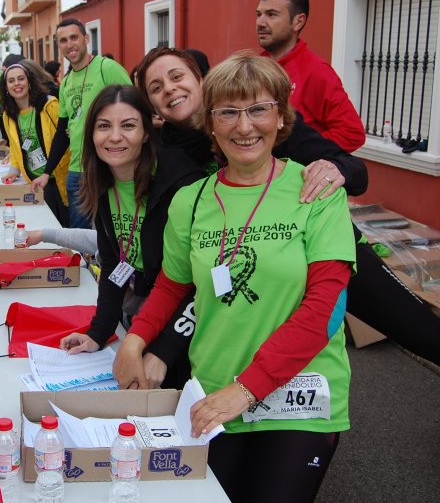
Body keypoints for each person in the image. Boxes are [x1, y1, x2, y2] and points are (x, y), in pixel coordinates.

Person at [115, 52, 357, 502]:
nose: (244, 127)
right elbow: (172, 285)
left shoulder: (317, 192)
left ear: (281, 117)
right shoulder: (191, 200)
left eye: (258, 109)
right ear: (210, 122)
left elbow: (326, 309)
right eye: (227, 112)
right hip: (213, 393)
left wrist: (246, 390)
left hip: (298, 400)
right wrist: (134, 342)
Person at [136, 46, 440, 370]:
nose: (169, 88)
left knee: (418, 330)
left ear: (200, 79)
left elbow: (354, 169)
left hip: (322, 250)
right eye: (156, 87)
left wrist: (335, 169)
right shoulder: (163, 154)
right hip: (244, 265)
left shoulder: (262, 120)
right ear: (154, 107)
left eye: (176, 76)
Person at [58, 84, 205, 381]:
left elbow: (196, 283)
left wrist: (164, 350)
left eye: (128, 125)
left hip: (188, 327)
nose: (114, 137)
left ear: (147, 132)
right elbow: (114, 264)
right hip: (145, 317)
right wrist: (98, 333)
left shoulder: (180, 182)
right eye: (103, 126)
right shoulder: (103, 181)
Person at [31, 18, 132, 229]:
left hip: (108, 166)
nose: (70, 44)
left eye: (74, 37)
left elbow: (135, 109)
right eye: (63, 40)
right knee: (78, 234)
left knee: (114, 230)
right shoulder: (66, 82)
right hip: (77, 170)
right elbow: (62, 131)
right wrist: (47, 173)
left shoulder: (107, 68)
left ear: (86, 38)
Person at [257, 0, 365, 152]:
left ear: (298, 22)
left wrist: (299, 153)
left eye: (271, 15)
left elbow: (352, 133)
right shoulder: (255, 66)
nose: (261, 22)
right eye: (259, 14)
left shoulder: (316, 71)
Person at [0, 61, 70, 226]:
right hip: (35, 182)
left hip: (58, 180)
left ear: (29, 82)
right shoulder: (8, 115)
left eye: (21, 79)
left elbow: (65, 139)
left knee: (64, 226)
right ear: (6, 87)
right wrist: (14, 170)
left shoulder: (49, 105)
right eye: (11, 81)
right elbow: (16, 149)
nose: (16, 84)